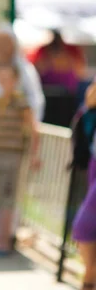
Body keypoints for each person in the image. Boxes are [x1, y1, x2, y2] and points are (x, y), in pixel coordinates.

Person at [0, 24, 45, 241]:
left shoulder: (25, 70)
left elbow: (35, 102)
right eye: (0, 43)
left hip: (13, 144)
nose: (4, 48)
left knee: (8, 191)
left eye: (8, 43)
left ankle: (5, 235)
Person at [0, 64, 40, 254]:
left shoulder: (21, 102)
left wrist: (34, 156)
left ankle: (4, 241)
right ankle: (0, 238)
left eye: (7, 78)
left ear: (16, 80)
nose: (4, 82)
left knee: (8, 197)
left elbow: (33, 130)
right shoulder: (0, 102)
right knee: (0, 197)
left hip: (13, 155)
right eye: (1, 78)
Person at [72, 79, 96, 290]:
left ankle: (90, 275)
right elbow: (90, 101)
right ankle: (90, 276)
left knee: (83, 227)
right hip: (93, 162)